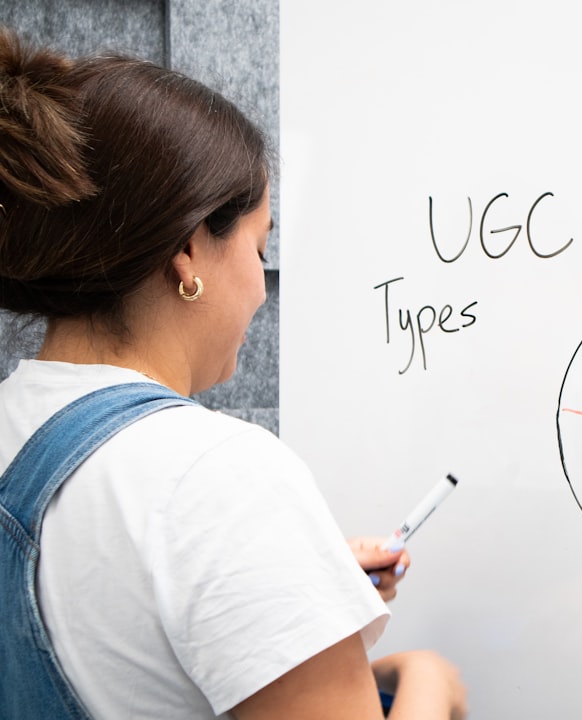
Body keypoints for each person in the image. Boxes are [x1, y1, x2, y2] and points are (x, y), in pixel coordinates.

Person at [0, 26, 467, 720]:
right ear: (189, 252)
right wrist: (431, 681)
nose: (259, 285)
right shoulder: (219, 481)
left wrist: (280, 581)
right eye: (259, 244)